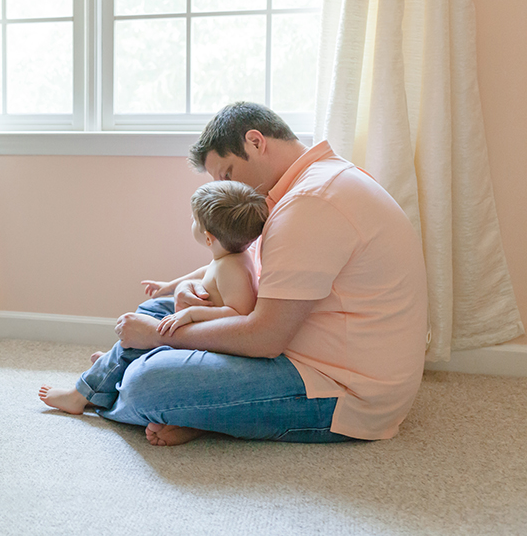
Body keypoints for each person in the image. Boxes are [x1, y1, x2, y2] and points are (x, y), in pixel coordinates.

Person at [52, 101, 428, 447]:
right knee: (156, 309)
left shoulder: (311, 203)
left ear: (255, 141)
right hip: (305, 352)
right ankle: (193, 405)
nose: (230, 189)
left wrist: (158, 337)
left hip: (342, 390)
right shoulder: (315, 184)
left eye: (228, 172)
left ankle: (128, 381)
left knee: (146, 384)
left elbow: (265, 338)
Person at [39, 180, 268, 415]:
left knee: (139, 343)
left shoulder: (233, 268)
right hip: (201, 328)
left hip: (210, 341)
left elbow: (238, 314)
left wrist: (191, 314)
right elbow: (205, 271)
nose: (191, 222)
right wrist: (169, 286)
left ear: (208, 238)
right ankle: (110, 366)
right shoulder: (229, 256)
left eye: (194, 220)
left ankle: (80, 395)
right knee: (151, 311)